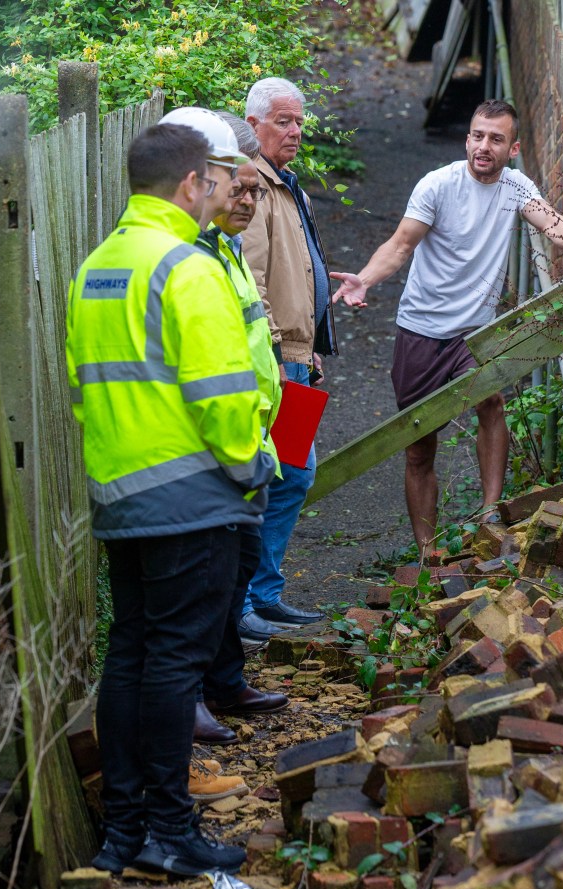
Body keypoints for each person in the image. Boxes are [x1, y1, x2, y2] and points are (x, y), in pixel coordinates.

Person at [66, 116, 276, 876]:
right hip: (193, 498)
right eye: (216, 178)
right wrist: (251, 461)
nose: (223, 188)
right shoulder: (187, 268)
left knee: (132, 655)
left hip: (123, 499)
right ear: (190, 184)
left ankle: (124, 832)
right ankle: (169, 831)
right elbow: (223, 398)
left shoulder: (97, 267)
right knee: (175, 666)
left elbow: (84, 391)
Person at [331, 99, 563, 553]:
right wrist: (363, 280)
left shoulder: (515, 186)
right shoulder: (437, 186)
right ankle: (427, 550)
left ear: (514, 148)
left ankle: (489, 515)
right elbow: (401, 244)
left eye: (496, 139)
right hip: (421, 330)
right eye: (478, 136)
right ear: (467, 139)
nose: (484, 146)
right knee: (419, 443)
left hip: (474, 335)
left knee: (492, 401)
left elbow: (551, 223)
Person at [189, 114, 290, 746]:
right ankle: (200, 691)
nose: (248, 201)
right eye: (240, 189)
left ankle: (227, 680)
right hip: (221, 449)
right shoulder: (197, 255)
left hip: (256, 437)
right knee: (212, 580)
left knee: (238, 568)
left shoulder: (226, 249)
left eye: (256, 192)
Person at [237, 76, 338, 645]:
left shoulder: (284, 184)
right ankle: (251, 600)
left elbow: (301, 271)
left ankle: (264, 596)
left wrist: (311, 346)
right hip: (275, 360)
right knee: (281, 475)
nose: (295, 131)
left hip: (297, 355)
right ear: (252, 125)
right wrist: (277, 351)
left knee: (295, 473)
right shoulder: (255, 188)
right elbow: (250, 278)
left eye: (298, 121)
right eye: (283, 120)